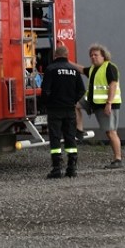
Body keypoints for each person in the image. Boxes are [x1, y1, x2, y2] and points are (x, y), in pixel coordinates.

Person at [41, 45, 86, 178]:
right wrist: (72, 101)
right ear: (67, 56)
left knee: (55, 138)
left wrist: (45, 104)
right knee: (70, 137)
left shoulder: (50, 69)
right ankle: (72, 168)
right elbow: (81, 90)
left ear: (55, 56)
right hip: (69, 109)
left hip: (55, 109)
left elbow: (46, 91)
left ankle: (56, 169)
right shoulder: (74, 70)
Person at [76, 43, 123, 169]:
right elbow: (80, 69)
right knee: (76, 106)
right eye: (91, 55)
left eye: (96, 55)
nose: (93, 57)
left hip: (106, 105)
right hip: (94, 102)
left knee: (111, 132)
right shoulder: (92, 69)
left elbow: (113, 85)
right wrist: (64, 60)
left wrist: (109, 103)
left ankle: (118, 159)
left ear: (103, 56)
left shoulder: (109, 67)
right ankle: (79, 130)